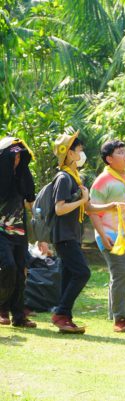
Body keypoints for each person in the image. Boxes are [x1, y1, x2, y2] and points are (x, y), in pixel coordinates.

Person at [51, 130, 119, 334]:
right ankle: (61, 313)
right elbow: (59, 208)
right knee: (82, 272)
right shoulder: (63, 178)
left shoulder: (75, 178)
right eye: (79, 150)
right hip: (63, 235)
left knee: (68, 276)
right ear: (70, 154)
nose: (82, 154)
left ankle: (65, 319)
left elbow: (88, 207)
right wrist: (81, 200)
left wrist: (110, 206)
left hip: (72, 235)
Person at [89, 140, 125, 333]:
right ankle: (121, 319)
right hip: (111, 234)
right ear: (109, 159)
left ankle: (114, 314)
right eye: (120, 152)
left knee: (123, 277)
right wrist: (102, 236)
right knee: (121, 274)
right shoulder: (102, 181)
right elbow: (92, 210)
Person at [0, 136, 37, 328]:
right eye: (13, 156)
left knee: (21, 272)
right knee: (8, 266)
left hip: (19, 232)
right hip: (1, 232)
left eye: (19, 156)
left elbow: (31, 202)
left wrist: (41, 235)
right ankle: (2, 308)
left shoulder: (23, 177)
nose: (17, 159)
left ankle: (19, 316)